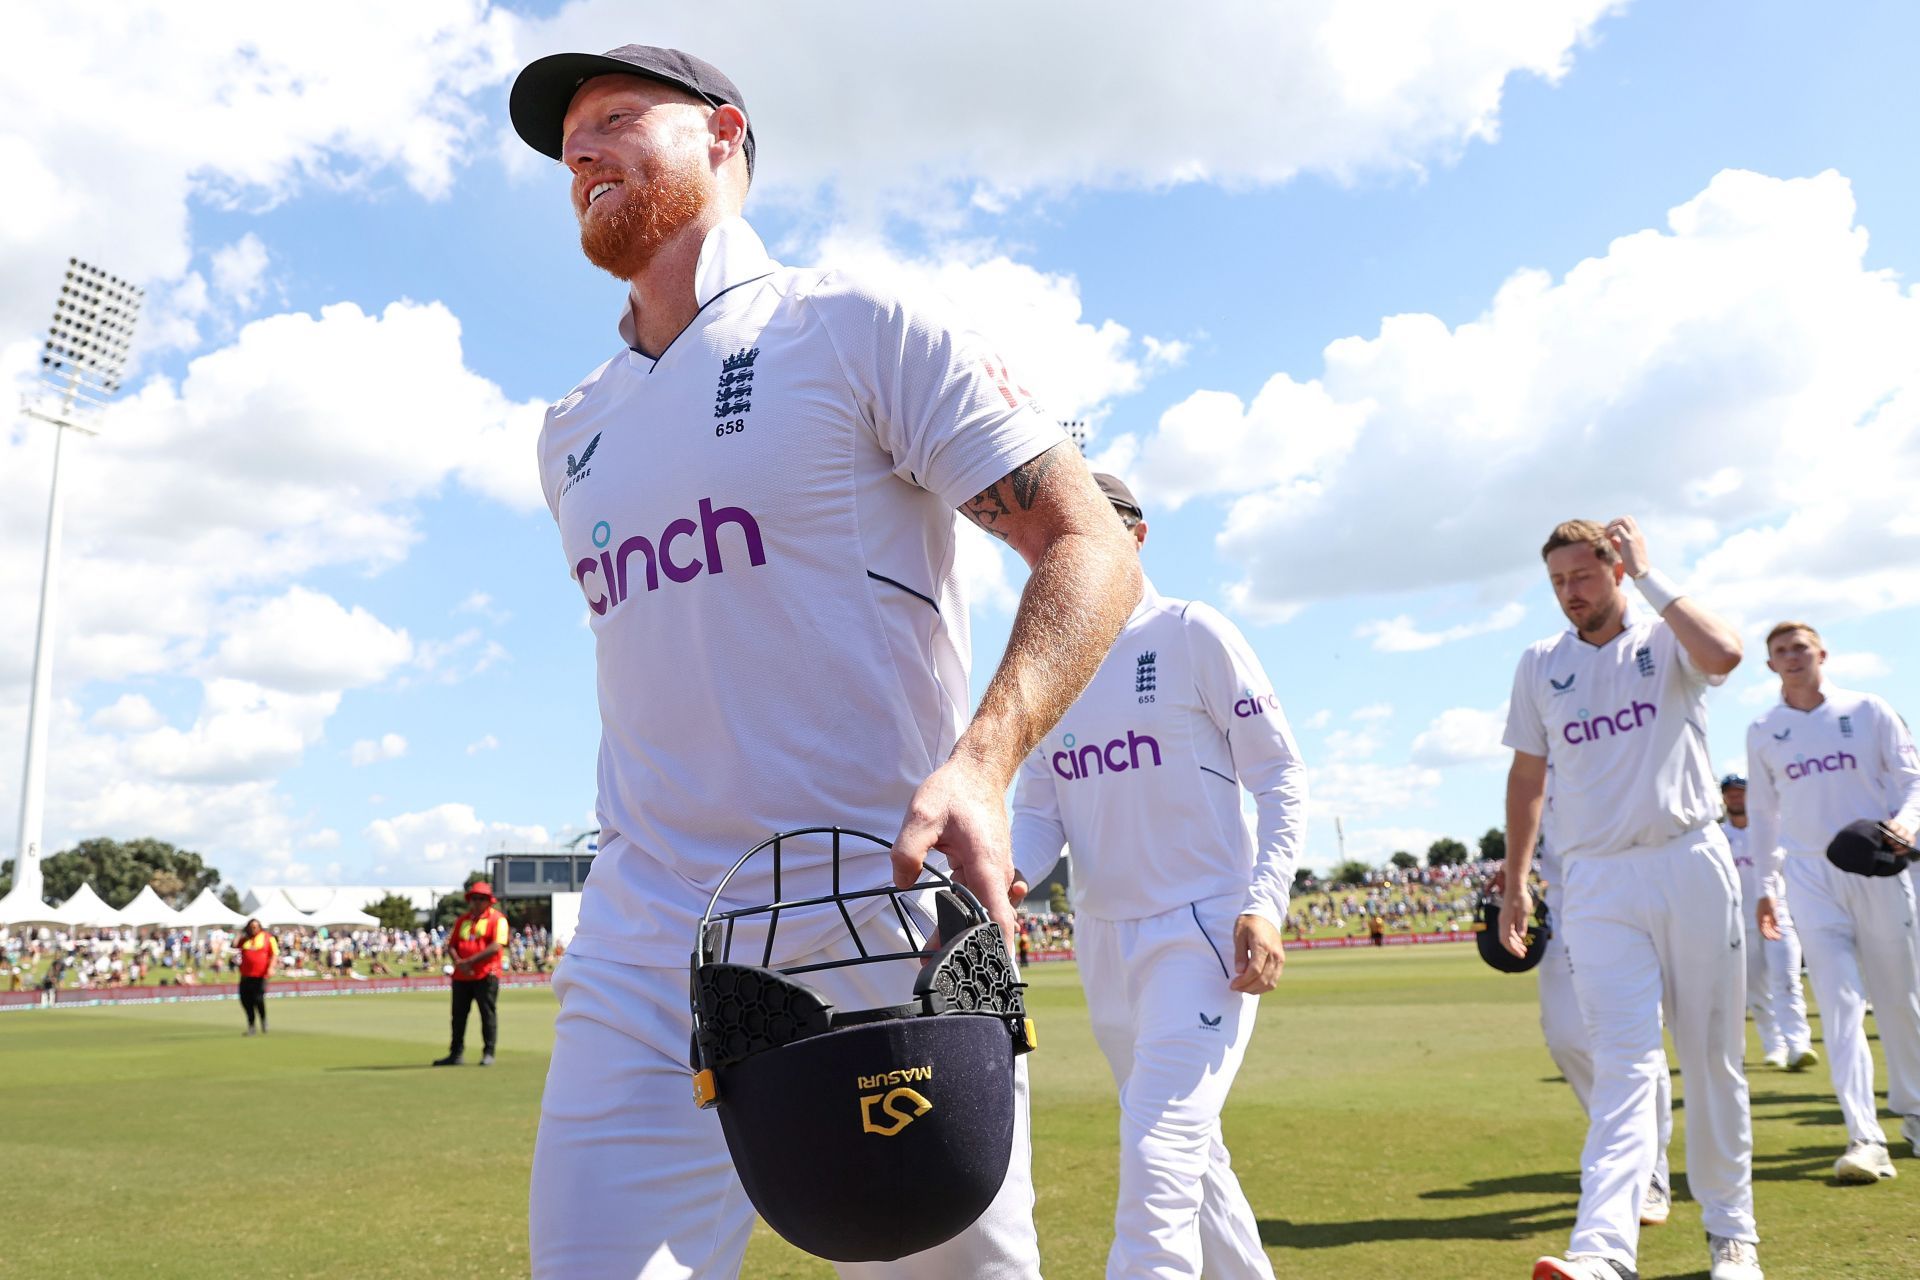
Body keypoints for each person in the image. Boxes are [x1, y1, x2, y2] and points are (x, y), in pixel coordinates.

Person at [507, 43, 1140, 1278]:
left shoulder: (850, 321)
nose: (582, 151)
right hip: (650, 944)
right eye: (568, 141)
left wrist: (985, 762)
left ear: (725, 134)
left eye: (618, 119)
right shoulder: (569, 429)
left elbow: (1089, 540)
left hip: (877, 908)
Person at [1010, 473, 1304, 1278]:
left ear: (1133, 538)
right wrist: (997, 884)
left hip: (1202, 930)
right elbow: (1041, 815)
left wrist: (1265, 903)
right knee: (1191, 1157)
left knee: (1158, 1153)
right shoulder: (1046, 663)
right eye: (1038, 541)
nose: (1048, 557)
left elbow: (1280, 777)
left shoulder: (1190, 632)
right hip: (1104, 941)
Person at [1498, 517, 1759, 1280]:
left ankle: (1732, 1234)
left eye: (1582, 577)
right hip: (1595, 879)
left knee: (1711, 1059)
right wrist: (1516, 881)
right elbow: (1526, 777)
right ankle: (1604, 1252)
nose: (1569, 594)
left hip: (1687, 858)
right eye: (1556, 583)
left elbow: (1726, 653)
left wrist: (1652, 574)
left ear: (1614, 570)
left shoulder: (1663, 637)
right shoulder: (1539, 664)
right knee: (1621, 1062)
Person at [1746, 621, 1920, 1183]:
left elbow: (1912, 778)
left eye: (1800, 648)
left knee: (1900, 1003)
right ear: (1770, 665)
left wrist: (1902, 827)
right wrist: (1765, 889)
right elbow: (1765, 815)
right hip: (1809, 877)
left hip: (1876, 865)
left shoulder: (1868, 709)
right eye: (1780, 652)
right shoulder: (1764, 729)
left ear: (1821, 652)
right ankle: (1864, 1137)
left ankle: (1915, 1115)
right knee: (1841, 1008)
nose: (1792, 657)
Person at [1528, 770, 1676, 1229]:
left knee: (1634, 1041)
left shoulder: (1617, 739)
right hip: (1564, 910)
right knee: (1566, 1039)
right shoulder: (1539, 755)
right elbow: (1532, 818)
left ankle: (1647, 1171)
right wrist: (1514, 873)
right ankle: (1627, 1146)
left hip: (1627, 900)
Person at [1718, 773, 1815, 1072]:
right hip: (1739, 923)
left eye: (1741, 792)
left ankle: (1798, 1044)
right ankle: (1774, 1047)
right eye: (1730, 793)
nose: (1736, 797)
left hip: (1778, 917)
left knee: (1787, 981)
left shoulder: (1773, 830)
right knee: (1756, 992)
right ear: (1724, 797)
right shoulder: (1718, 835)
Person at [435, 883, 510, 1068]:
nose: (477, 902)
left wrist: (469, 962)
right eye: (474, 898)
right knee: (458, 1016)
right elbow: (451, 944)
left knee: (487, 1014)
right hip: (462, 976)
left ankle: (488, 1052)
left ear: (489, 901)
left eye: (481, 898)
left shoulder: (497, 919)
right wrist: (459, 962)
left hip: (486, 974)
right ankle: (456, 1053)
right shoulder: (463, 920)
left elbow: (496, 946)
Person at [236, 918, 277, 1036]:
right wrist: (240, 933)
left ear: (259, 927)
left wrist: (271, 967)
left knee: (258, 999)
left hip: (260, 975)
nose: (253, 929)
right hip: (246, 975)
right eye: (250, 927)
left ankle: (263, 1020)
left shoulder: (268, 938)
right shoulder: (245, 939)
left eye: (255, 926)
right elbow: (234, 945)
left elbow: (274, 954)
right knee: (245, 1000)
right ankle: (251, 1025)